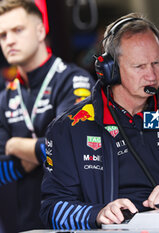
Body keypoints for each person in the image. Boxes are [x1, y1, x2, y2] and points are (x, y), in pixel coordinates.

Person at [40, 13, 159, 230]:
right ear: (110, 70)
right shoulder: (70, 127)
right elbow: (52, 210)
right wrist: (97, 213)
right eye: (139, 67)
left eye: (156, 63)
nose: (152, 76)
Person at [0, 0, 95, 231]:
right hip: (23, 226)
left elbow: (73, 150)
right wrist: (41, 151)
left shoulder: (73, 81)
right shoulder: (4, 98)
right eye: (2, 35)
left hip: (71, 222)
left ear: (41, 31)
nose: (9, 40)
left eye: (18, 30)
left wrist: (13, 145)